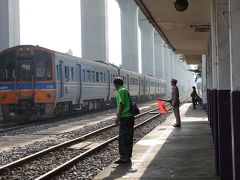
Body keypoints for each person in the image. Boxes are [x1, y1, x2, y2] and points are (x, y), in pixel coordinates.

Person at [113, 77, 134, 164]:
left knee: (123, 138)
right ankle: (128, 156)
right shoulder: (125, 90)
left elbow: (121, 104)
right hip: (130, 116)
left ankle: (123, 158)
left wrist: (118, 117)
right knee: (128, 137)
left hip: (125, 116)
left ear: (116, 84)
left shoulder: (120, 91)